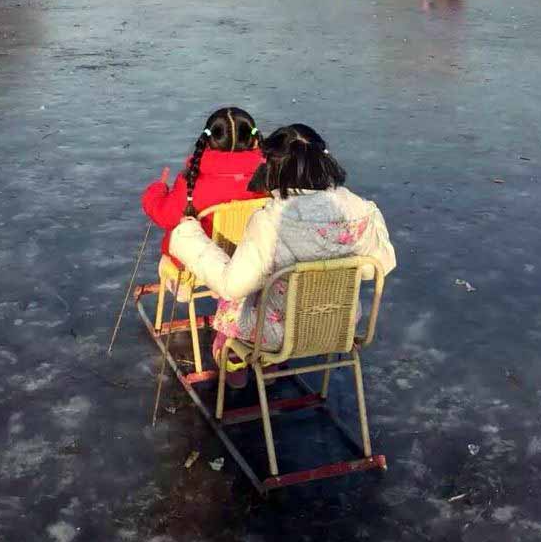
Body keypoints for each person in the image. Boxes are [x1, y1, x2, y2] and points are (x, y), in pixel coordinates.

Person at [170, 123, 397, 384]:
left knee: (233, 299)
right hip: (338, 326)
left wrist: (190, 238)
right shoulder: (361, 211)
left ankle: (233, 363)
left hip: (277, 332)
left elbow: (232, 286)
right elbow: (376, 267)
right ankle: (268, 371)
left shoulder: (272, 221)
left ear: (274, 167)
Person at [141, 107, 266, 285]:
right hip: (253, 263)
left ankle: (185, 288)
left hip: (201, 267)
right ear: (254, 140)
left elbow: (165, 216)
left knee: (172, 251)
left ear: (207, 141)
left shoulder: (193, 182)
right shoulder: (270, 176)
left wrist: (156, 190)